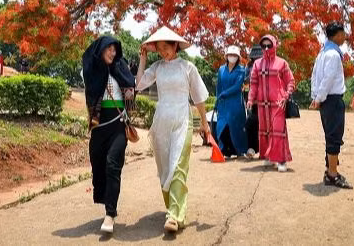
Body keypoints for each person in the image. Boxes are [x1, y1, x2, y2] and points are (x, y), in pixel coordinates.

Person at [136, 26, 211, 233]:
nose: (162, 52)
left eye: (165, 48)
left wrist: (204, 123)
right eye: (158, 49)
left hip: (182, 119)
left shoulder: (188, 67)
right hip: (161, 121)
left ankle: (173, 215)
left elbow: (199, 97)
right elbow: (140, 84)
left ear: (175, 45)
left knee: (178, 165)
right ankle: (176, 209)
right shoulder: (157, 67)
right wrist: (143, 59)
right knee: (164, 168)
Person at [82, 35, 136, 234]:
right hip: (98, 125)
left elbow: (132, 85)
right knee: (98, 163)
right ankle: (107, 198)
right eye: (109, 49)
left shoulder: (120, 68)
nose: (113, 53)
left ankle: (110, 214)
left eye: (115, 50)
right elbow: (89, 75)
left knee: (113, 164)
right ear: (101, 49)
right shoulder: (91, 71)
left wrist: (130, 92)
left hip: (118, 125)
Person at [310, 22, 352, 189]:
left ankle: (330, 170)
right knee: (334, 137)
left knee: (330, 136)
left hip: (325, 100)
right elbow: (327, 79)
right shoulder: (333, 55)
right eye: (343, 34)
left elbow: (314, 77)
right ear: (337, 35)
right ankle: (332, 175)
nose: (344, 37)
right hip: (332, 99)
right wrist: (319, 97)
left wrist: (316, 97)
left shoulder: (322, 53)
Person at [248, 35, 295, 172]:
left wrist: (286, 95)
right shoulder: (257, 64)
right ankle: (268, 156)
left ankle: (281, 160)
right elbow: (254, 84)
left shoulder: (282, 63)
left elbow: (290, 81)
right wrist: (251, 99)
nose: (267, 48)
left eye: (269, 45)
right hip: (262, 104)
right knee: (265, 131)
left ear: (274, 45)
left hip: (278, 104)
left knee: (278, 131)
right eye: (264, 46)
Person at [214, 46, 248, 158]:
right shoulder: (221, 69)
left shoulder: (242, 70)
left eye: (234, 55)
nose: (232, 57)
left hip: (235, 104)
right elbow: (218, 86)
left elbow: (238, 86)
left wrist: (225, 93)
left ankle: (240, 151)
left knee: (236, 127)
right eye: (230, 55)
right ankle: (224, 151)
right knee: (221, 127)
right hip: (223, 104)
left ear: (238, 57)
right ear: (226, 56)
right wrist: (217, 100)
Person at [244, 44, 263, 158]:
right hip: (252, 100)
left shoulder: (266, 66)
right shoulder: (248, 68)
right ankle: (251, 148)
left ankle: (263, 149)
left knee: (264, 126)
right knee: (250, 123)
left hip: (264, 101)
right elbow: (245, 82)